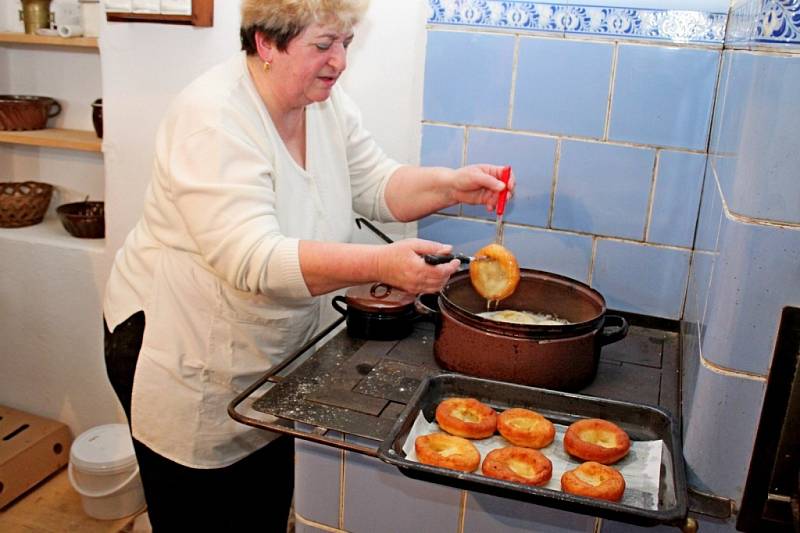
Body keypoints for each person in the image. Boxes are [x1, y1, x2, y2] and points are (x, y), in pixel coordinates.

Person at [102, 0, 514, 530]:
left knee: (264, 507)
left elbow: (375, 183)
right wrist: (383, 265)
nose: (339, 61)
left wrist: (451, 186)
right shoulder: (212, 119)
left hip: (266, 354)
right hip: (185, 353)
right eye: (323, 45)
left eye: (345, 43)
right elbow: (250, 257)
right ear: (266, 43)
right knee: (202, 513)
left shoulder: (322, 104)